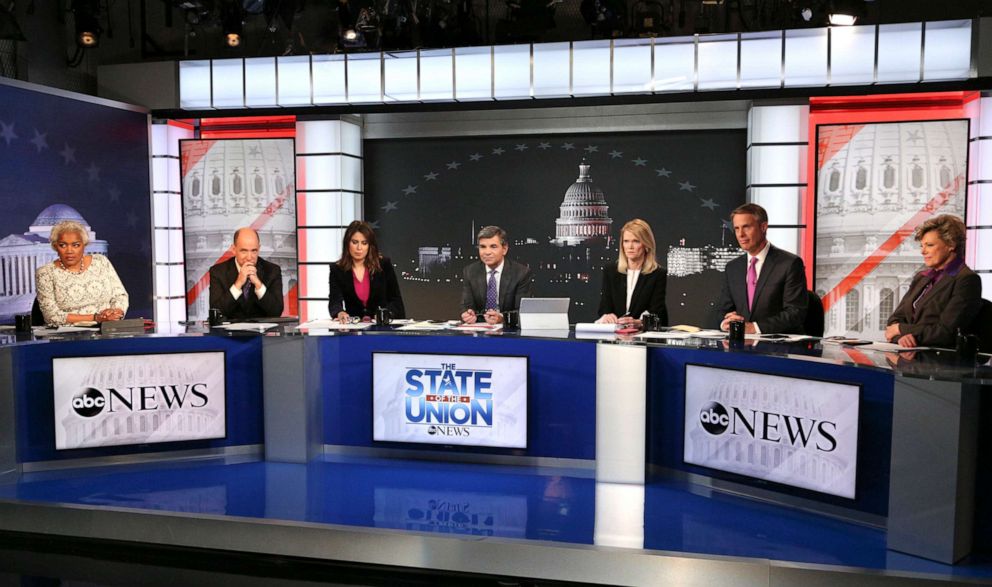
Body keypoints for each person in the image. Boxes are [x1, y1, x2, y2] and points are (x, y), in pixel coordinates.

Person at [884, 214, 982, 348]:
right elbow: (894, 322)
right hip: (910, 354)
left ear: (951, 244)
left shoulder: (967, 280)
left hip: (940, 362)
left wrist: (902, 329)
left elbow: (946, 332)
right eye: (921, 246)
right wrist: (901, 337)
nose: (923, 251)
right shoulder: (921, 277)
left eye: (929, 245)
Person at [716, 203, 808, 334]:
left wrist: (755, 328)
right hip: (741, 347)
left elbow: (795, 313)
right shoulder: (733, 268)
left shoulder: (789, 264)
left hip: (779, 348)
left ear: (763, 227)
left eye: (746, 227)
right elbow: (723, 310)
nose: (740, 234)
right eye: (736, 228)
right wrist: (725, 323)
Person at [35, 220, 129, 326]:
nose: (69, 251)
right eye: (63, 245)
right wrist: (96, 318)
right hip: (68, 335)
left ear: (84, 245)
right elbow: (51, 316)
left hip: (108, 329)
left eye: (75, 245)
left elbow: (120, 295)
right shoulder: (45, 273)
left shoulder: (101, 262)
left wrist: (115, 312)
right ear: (55, 246)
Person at [328, 220, 406, 322]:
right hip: (354, 330)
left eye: (364, 243)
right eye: (354, 242)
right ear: (347, 243)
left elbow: (396, 301)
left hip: (382, 328)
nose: (359, 248)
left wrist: (386, 314)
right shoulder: (337, 270)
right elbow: (335, 301)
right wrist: (339, 312)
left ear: (370, 246)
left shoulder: (383, 265)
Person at [596, 218, 667, 326]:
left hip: (642, 337)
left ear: (646, 245)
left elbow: (657, 313)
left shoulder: (657, 274)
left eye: (636, 241)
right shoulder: (610, 271)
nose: (630, 247)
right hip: (614, 335)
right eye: (626, 241)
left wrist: (639, 322)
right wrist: (607, 316)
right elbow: (604, 307)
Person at [460, 225, 534, 325]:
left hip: (508, 330)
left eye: (493, 246)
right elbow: (467, 306)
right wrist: (468, 315)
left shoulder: (521, 273)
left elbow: (522, 312)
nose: (487, 252)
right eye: (482, 247)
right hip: (479, 329)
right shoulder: (470, 271)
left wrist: (502, 318)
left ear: (504, 249)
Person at [209, 228, 284, 320]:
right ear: (233, 249)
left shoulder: (272, 271)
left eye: (254, 251)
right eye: (244, 251)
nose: (249, 257)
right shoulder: (218, 272)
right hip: (229, 333)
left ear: (259, 249)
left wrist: (258, 285)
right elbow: (216, 312)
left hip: (262, 332)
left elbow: (276, 312)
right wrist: (238, 284)